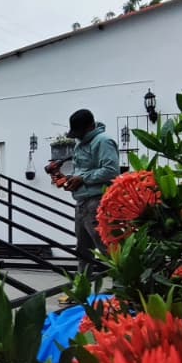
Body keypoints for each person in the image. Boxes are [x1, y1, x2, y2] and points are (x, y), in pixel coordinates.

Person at [46, 109, 120, 273]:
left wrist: (82, 179)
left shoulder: (103, 141)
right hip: (82, 203)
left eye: (79, 132)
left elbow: (111, 171)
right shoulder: (81, 143)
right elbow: (84, 171)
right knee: (83, 251)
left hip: (98, 202)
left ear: (89, 127)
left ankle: (124, 290)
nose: (76, 136)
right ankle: (82, 289)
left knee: (107, 247)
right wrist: (70, 179)